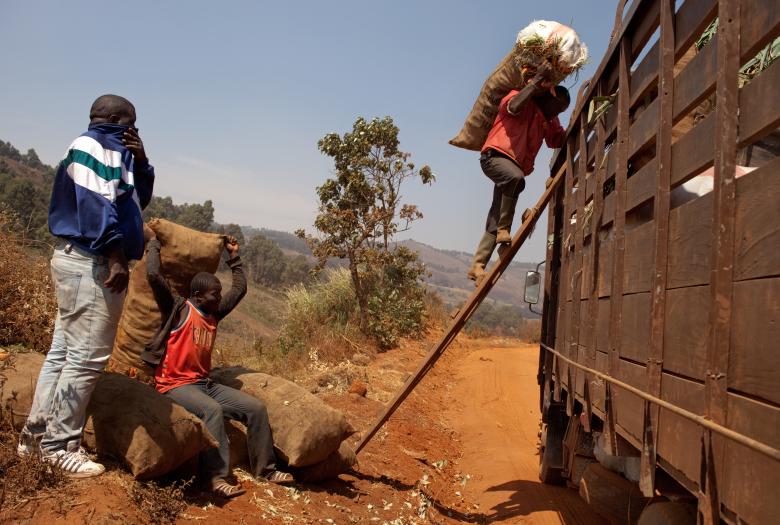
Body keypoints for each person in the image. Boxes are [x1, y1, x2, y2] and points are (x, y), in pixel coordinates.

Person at [17, 94, 155, 478]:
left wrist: (142, 162)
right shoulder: (92, 146)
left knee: (63, 353)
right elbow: (97, 207)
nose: (135, 130)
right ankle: (60, 446)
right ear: (111, 118)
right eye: (131, 122)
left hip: (86, 263)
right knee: (86, 357)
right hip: (90, 264)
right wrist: (115, 257)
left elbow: (135, 201)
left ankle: (36, 438)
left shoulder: (116, 153)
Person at [141, 228, 294, 497]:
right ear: (198, 295)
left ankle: (266, 470)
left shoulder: (214, 314)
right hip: (174, 385)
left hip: (203, 384)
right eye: (215, 294)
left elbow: (240, 289)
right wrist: (153, 243)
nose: (220, 298)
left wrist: (233, 256)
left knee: (256, 408)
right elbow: (154, 275)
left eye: (219, 293)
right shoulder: (179, 309)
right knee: (211, 411)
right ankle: (215, 479)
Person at [467, 68, 570, 283]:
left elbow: (557, 140)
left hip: (512, 169)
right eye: (556, 108)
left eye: (561, 111)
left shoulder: (548, 119)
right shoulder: (520, 98)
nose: (556, 114)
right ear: (547, 98)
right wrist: (536, 83)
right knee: (516, 179)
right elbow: (512, 107)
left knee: (497, 210)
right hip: (494, 157)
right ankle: (504, 233)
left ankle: (477, 265)